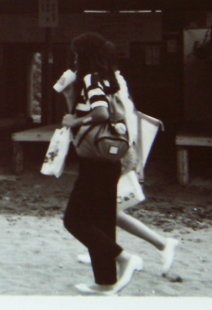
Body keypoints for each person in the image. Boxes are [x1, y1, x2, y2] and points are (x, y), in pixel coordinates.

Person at [74, 42, 180, 276]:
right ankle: (113, 249)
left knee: (100, 211)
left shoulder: (100, 83)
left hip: (113, 151)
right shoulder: (114, 80)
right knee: (105, 209)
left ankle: (138, 248)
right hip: (122, 148)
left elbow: (104, 116)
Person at [61, 32, 143, 295]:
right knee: (102, 220)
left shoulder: (90, 79)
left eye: (76, 53)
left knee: (73, 219)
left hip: (94, 159)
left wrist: (75, 122)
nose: (74, 58)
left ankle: (122, 258)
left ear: (84, 55)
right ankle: (106, 282)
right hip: (109, 158)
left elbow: (100, 113)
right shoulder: (109, 79)